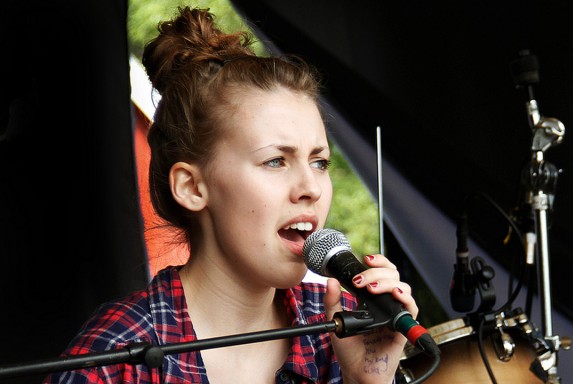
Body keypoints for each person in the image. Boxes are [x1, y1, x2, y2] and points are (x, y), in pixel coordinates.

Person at [43, 6, 419, 383]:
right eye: (276, 161)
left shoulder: (342, 329)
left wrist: (368, 380)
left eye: (320, 163)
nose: (311, 188)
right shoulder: (116, 357)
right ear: (191, 187)